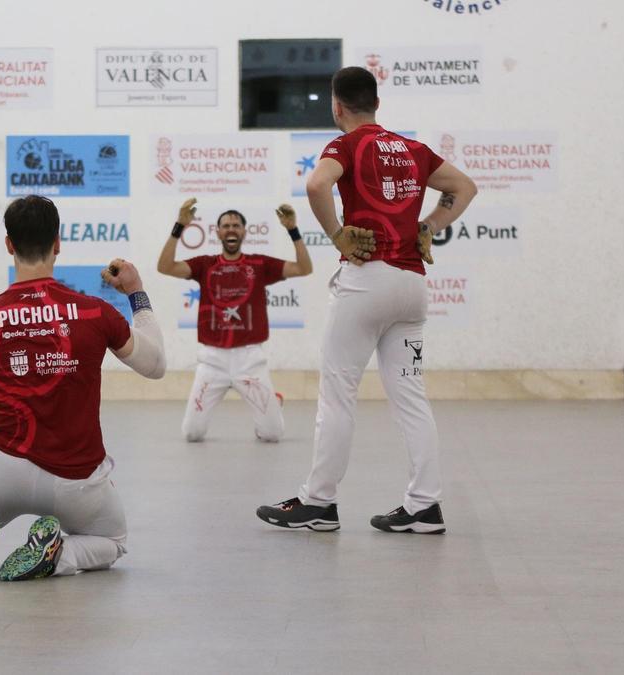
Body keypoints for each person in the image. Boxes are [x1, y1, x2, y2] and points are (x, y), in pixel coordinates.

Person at [256, 66, 477, 534]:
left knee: (337, 395)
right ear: (377, 103)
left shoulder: (346, 145)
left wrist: (337, 235)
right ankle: (424, 507)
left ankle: (318, 503)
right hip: (412, 287)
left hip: (367, 282)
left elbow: (316, 185)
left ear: (337, 106)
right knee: (412, 400)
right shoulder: (413, 149)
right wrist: (428, 228)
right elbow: (464, 187)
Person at [0, 195, 166, 583]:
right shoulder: (95, 312)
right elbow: (155, 365)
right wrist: (136, 292)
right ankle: (57, 553)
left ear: (9, 245)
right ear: (58, 242)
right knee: (111, 539)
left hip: (1, 469)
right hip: (76, 477)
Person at [157, 198, 313, 443]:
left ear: (244, 232)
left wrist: (292, 229)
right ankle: (267, 400)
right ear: (218, 232)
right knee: (192, 433)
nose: (231, 229)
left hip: (250, 360)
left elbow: (304, 268)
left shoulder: (260, 264)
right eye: (226, 225)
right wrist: (179, 225)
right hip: (212, 361)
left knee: (272, 434)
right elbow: (165, 267)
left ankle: (273, 401)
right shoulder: (205, 264)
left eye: (236, 225)